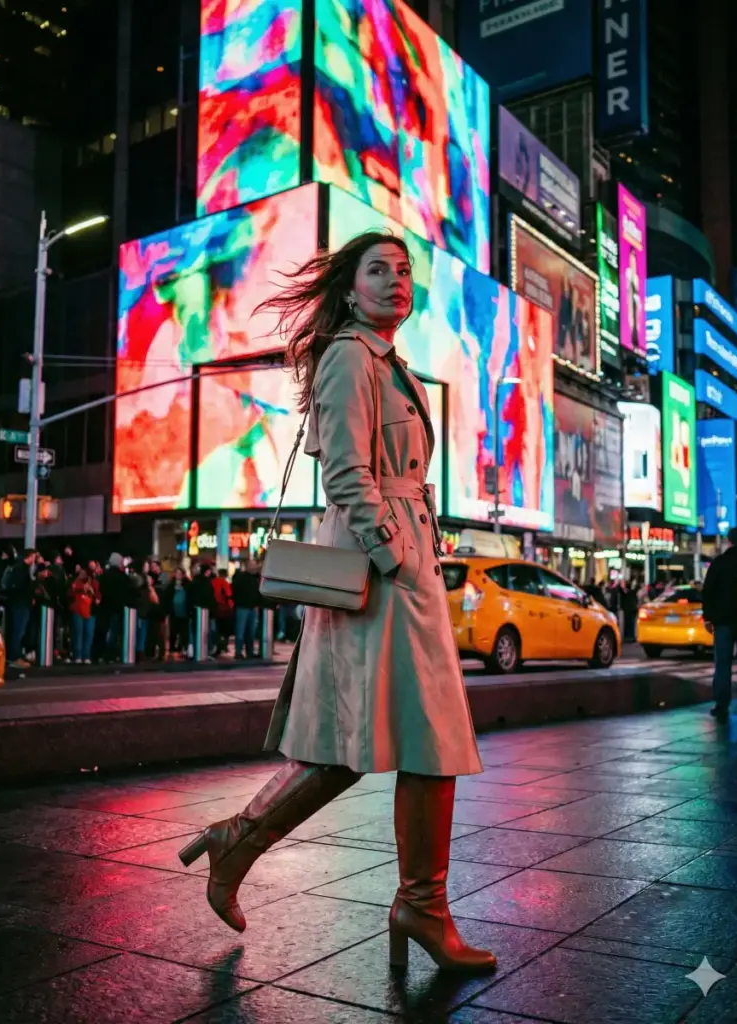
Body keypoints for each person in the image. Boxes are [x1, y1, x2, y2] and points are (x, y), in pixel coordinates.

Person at [176, 232, 494, 972]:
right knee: (422, 737)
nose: (394, 280)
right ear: (349, 291)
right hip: (381, 569)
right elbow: (348, 474)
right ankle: (417, 906)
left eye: (404, 270)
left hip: (395, 565)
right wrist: (398, 555)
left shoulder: (386, 361)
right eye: (376, 270)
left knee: (379, 743)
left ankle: (254, 844)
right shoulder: (351, 356)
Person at [702, 526, 737, 722]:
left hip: (723, 621)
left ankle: (721, 703)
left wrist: (708, 617)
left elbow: (708, 591)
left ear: (729, 542)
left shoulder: (719, 563)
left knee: (722, 664)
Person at [1, 548, 37, 667]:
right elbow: (20, 587)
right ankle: (14, 658)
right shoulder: (21, 569)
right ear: (30, 556)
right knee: (18, 631)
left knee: (17, 631)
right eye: (34, 557)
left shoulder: (19, 567)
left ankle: (13, 656)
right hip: (20, 604)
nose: (34, 559)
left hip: (18, 603)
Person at [232, 559, 261, 659]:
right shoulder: (241, 577)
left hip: (252, 607)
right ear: (247, 566)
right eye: (251, 565)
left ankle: (250, 651)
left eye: (254, 565)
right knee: (241, 631)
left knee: (251, 632)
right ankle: (238, 652)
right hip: (242, 607)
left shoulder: (256, 578)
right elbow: (235, 591)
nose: (253, 567)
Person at [69, 569, 100, 663]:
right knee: (78, 634)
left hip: (90, 612)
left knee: (88, 634)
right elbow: (70, 593)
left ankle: (86, 656)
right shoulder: (75, 582)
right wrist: (82, 588)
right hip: (78, 611)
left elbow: (98, 596)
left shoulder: (94, 582)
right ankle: (77, 655)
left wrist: (94, 594)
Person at [165, 568, 191, 656]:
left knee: (184, 630)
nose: (178, 575)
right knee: (173, 630)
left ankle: (183, 646)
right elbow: (167, 596)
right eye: (177, 573)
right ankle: (172, 647)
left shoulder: (187, 584)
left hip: (184, 612)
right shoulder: (171, 585)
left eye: (180, 573)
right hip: (174, 612)